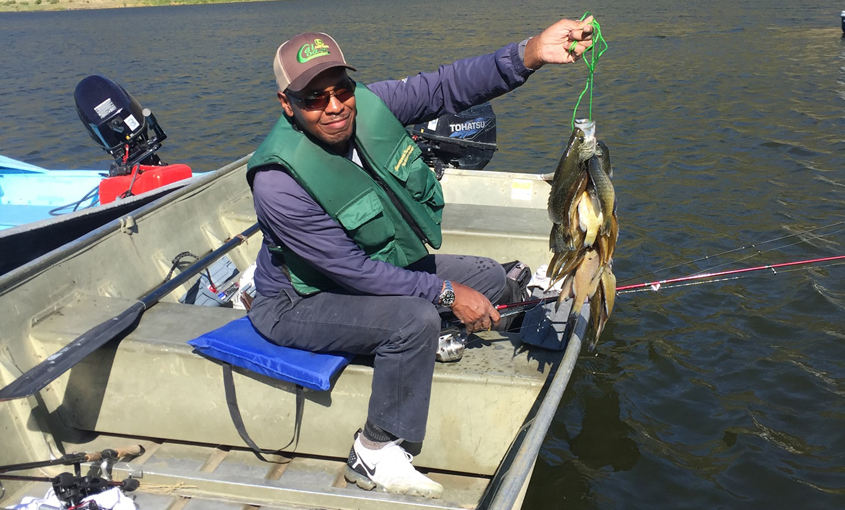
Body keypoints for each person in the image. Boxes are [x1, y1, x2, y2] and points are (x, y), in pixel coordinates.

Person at [246, 16, 594, 499]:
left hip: (361, 279)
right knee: (413, 319)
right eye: (313, 98)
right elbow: (351, 272)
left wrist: (531, 52)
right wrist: (448, 295)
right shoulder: (278, 182)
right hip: (297, 303)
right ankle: (376, 449)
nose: (334, 107)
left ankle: (494, 315)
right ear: (287, 104)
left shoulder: (370, 105)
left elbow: (449, 86)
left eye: (341, 89)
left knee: (486, 276)